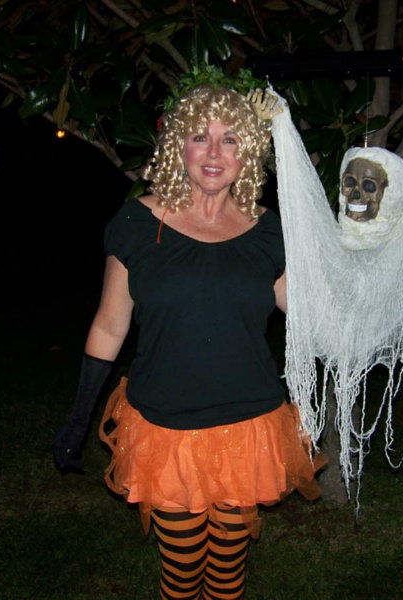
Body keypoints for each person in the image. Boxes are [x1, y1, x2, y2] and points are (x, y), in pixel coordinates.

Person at [52, 83, 323, 600]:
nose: (214, 153)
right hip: (166, 428)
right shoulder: (136, 224)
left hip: (249, 426)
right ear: (179, 146)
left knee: (227, 575)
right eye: (200, 137)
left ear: (248, 153)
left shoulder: (269, 230)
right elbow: (109, 326)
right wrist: (80, 415)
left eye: (230, 139)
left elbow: (313, 318)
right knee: (181, 574)